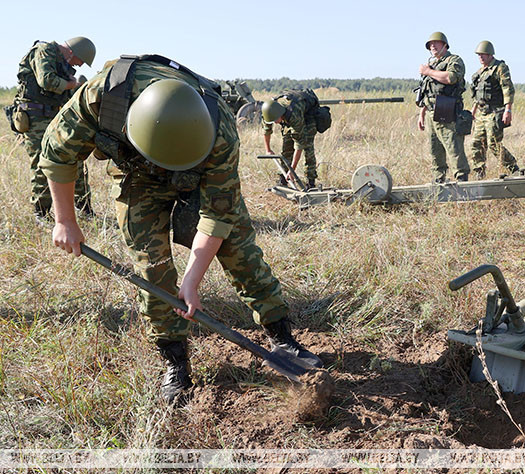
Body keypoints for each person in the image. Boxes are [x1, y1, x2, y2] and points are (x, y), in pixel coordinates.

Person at [40, 55, 323, 405]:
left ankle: (282, 335)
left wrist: (192, 281)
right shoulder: (103, 96)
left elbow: (219, 215)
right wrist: (65, 220)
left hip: (198, 174)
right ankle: (176, 361)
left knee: (240, 252)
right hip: (137, 176)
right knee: (153, 267)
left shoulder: (220, 134)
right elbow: (57, 153)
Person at [14, 36, 96, 218]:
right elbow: (47, 81)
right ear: (72, 52)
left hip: (56, 115)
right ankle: (41, 213)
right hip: (36, 117)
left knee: (75, 158)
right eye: (81, 61)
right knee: (42, 163)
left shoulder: (63, 64)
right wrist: (73, 83)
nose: (80, 65)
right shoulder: (44, 51)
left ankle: (85, 210)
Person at [416, 32, 470, 183]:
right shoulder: (432, 65)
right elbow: (427, 92)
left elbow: (450, 78)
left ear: (445, 45)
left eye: (436, 43)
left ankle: (462, 181)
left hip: (447, 110)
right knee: (435, 150)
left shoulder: (454, 60)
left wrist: (428, 72)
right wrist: (422, 114)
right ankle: (438, 179)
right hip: (431, 113)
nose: (433, 46)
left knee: (453, 147)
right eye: (430, 44)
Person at [469, 41, 519, 179]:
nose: (480, 57)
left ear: (490, 54)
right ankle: (479, 172)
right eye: (479, 55)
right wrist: (472, 113)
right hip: (481, 113)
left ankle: (513, 168)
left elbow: (508, 88)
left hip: (495, 111)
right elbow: (477, 96)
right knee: (476, 143)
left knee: (493, 144)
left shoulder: (499, 68)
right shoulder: (479, 73)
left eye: (483, 54)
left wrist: (508, 110)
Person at [261, 89, 321, 188]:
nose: (275, 123)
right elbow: (266, 130)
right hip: (288, 115)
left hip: (308, 116)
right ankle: (283, 179)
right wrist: (268, 150)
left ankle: (310, 182)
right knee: (286, 147)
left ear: (280, 114)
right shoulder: (269, 111)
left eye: (276, 120)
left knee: (308, 148)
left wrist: (292, 170)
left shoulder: (294, 115)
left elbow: (299, 144)